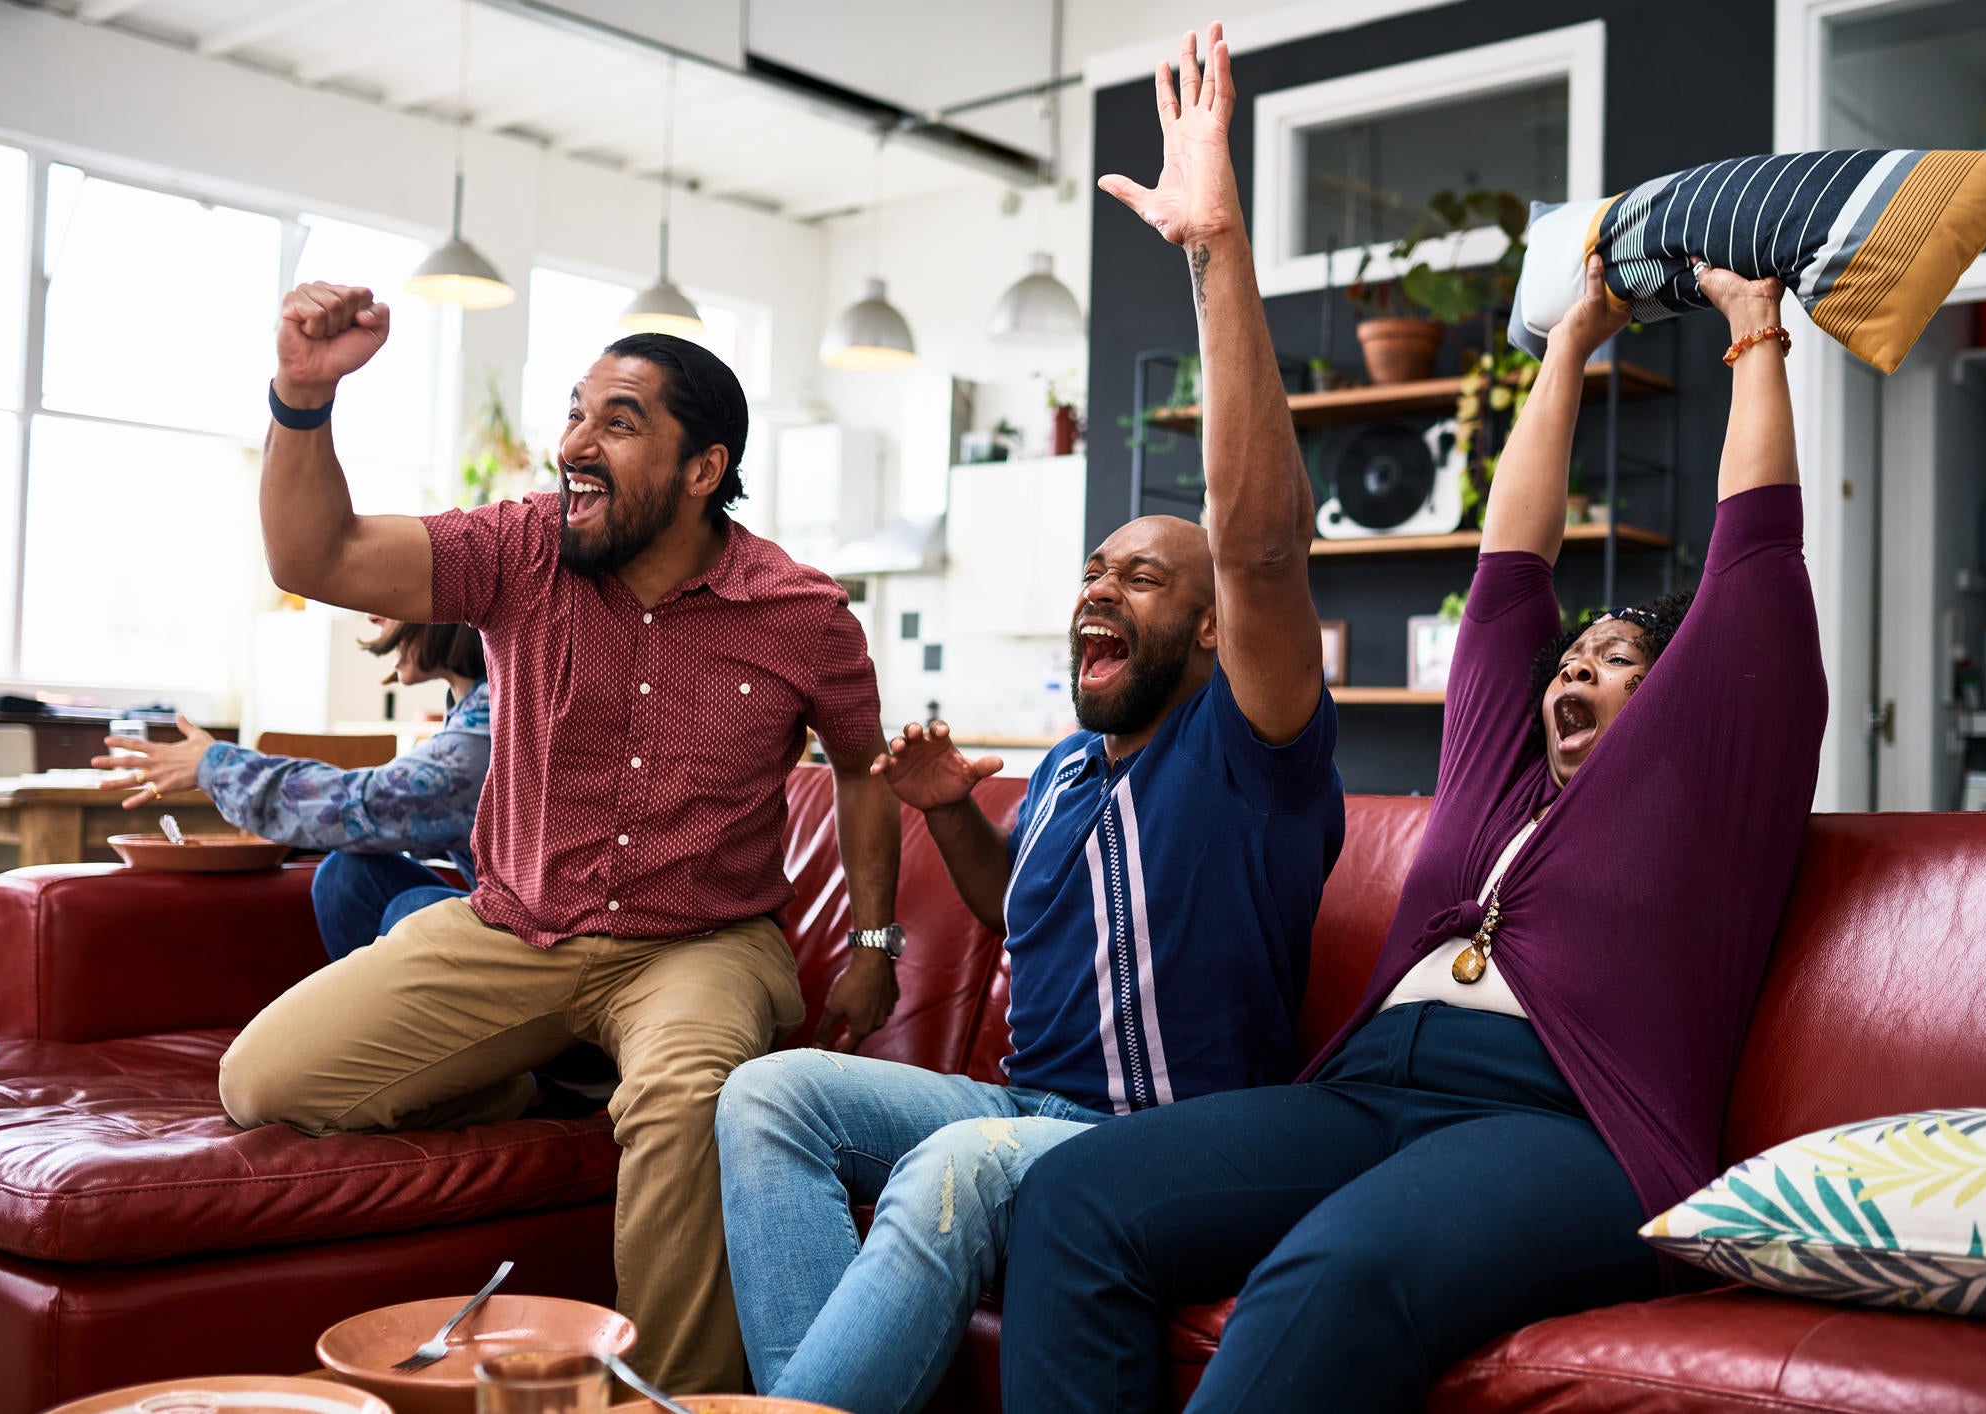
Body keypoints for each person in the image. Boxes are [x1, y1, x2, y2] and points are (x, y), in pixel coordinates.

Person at [996, 26, 1828, 1414]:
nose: (1571, 670)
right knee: (1073, 1200)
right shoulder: (1499, 779)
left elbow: (1752, 563)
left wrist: (1753, 333)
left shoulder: (1712, 777)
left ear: (1682, 698)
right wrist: (1565, 342)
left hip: (1565, 1125)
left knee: (1326, 1270)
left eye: (1617, 659)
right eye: (1573, 657)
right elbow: (1510, 575)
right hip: (1366, 1088)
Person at [711, 26, 1343, 1414]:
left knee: (944, 1172)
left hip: (1161, 1144)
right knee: (766, 1095)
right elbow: (1021, 918)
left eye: (1142, 576)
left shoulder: (1251, 753)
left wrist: (1213, 247)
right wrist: (946, 811)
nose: (1098, 590)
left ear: (1207, 628)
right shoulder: (1063, 768)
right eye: (1092, 568)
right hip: (1020, 1105)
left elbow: (1260, 547)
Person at [214, 285, 903, 1392]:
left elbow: (868, 769)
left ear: (702, 469)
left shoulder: (805, 613)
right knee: (264, 1077)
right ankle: (543, 1082)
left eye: (617, 421)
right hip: (515, 928)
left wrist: (874, 946)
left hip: (701, 944)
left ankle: (668, 1399)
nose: (575, 442)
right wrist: (304, 396)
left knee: (685, 1099)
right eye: (575, 412)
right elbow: (319, 554)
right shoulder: (521, 547)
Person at [94, 618, 491, 961]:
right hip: (505, 923)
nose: (372, 615)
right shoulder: (474, 709)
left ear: (453, 608)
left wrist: (212, 766)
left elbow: (363, 803)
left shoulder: (485, 728)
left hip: (541, 949)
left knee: (416, 911)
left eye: (396, 595)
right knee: (346, 874)